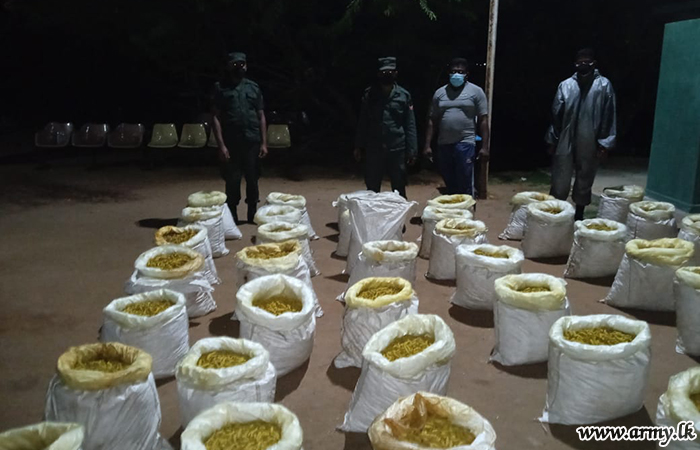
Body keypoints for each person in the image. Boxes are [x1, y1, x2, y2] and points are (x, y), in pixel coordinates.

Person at [546, 48, 617, 221]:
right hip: (566, 136)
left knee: (585, 175)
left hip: (590, 137)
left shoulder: (603, 86)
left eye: (587, 61)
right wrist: (552, 140)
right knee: (560, 174)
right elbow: (556, 115)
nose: (583, 64)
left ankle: (579, 214)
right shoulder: (566, 85)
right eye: (580, 61)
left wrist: (604, 143)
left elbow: (608, 115)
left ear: (594, 63)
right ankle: (557, 213)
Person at [210, 52, 268, 224]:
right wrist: (221, 145)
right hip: (232, 142)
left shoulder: (253, 87)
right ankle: (232, 214)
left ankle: (252, 212)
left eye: (242, 64)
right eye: (235, 64)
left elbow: (261, 115)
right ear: (229, 66)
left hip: (252, 140)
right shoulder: (220, 88)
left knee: (253, 178)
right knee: (232, 180)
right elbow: (215, 117)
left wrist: (264, 143)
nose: (239, 67)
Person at [423, 57, 490, 197]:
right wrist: (427, 145)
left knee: (465, 178)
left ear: (466, 74)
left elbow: (483, 120)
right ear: (449, 73)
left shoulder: (476, 92)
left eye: (460, 72)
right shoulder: (440, 93)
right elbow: (432, 120)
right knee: (449, 178)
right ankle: (454, 206)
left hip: (466, 142)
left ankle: (467, 207)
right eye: (453, 71)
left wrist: (484, 147)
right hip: (444, 143)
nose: (456, 75)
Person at [354, 57, 417, 199]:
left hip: (397, 147)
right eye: (384, 72)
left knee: (399, 185)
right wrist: (358, 145)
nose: (387, 75)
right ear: (378, 74)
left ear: (395, 73)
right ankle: (371, 211)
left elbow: (410, 124)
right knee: (372, 187)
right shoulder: (370, 95)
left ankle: (400, 212)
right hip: (374, 147)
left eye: (390, 72)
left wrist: (412, 150)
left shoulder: (403, 95)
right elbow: (363, 121)